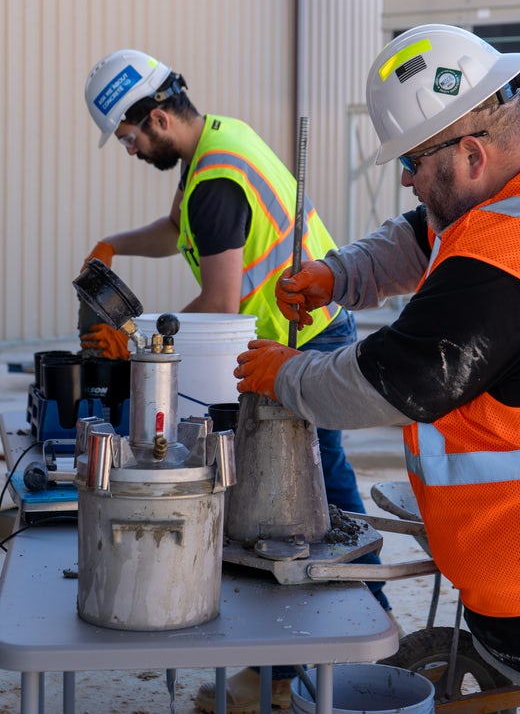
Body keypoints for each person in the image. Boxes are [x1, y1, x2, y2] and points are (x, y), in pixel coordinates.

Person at [235, 23, 520, 714]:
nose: (406, 178)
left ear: (468, 152)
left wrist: (282, 374)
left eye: (412, 162)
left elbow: (391, 382)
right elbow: (426, 232)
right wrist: (337, 275)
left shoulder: (510, 267)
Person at [81, 48, 392, 714]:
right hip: (296, 335)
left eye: (132, 136)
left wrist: (138, 347)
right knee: (311, 495)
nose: (131, 150)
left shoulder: (216, 184)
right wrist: (114, 244)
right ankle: (315, 651)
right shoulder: (219, 147)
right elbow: (177, 230)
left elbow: (221, 303)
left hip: (298, 342)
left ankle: (337, 649)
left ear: (158, 117)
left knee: (295, 501)